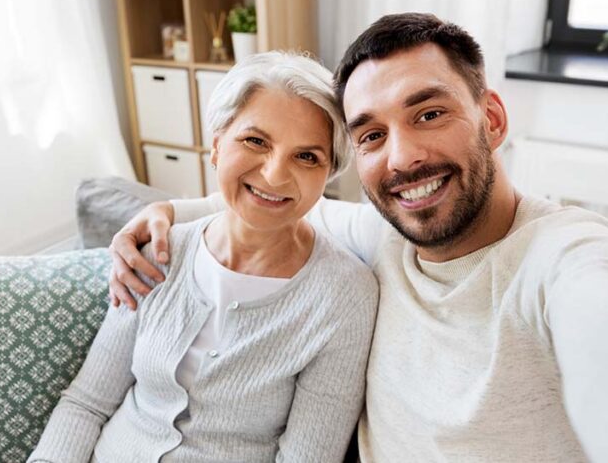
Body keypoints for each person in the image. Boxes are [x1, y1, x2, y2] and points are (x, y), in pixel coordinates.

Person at [109, 13, 608, 463]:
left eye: (428, 113)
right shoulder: (383, 233)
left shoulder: (570, 254)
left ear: (491, 118)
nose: (402, 159)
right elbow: (265, 206)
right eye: (371, 134)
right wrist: (163, 212)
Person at [30, 52, 378, 462]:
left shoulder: (345, 296)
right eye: (255, 141)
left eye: (306, 157)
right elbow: (87, 403)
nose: (274, 175)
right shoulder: (157, 253)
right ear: (217, 147)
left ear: (328, 175)